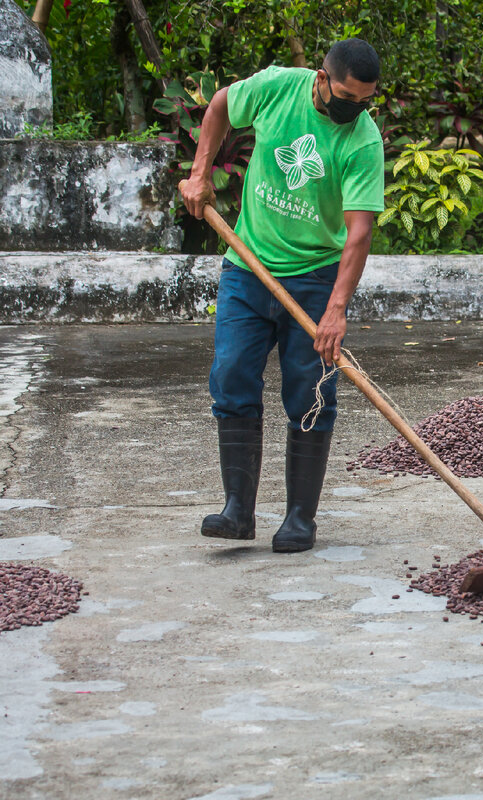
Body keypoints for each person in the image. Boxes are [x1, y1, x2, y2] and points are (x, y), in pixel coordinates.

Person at [179, 39, 384, 553]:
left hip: (316, 277)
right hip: (247, 268)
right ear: (321, 78)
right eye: (345, 97)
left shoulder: (362, 140)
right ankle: (237, 511)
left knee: (310, 391)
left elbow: (358, 232)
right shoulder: (277, 88)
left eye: (364, 101)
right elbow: (222, 103)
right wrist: (201, 173)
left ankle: (299, 518)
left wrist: (336, 310)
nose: (352, 108)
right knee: (231, 376)